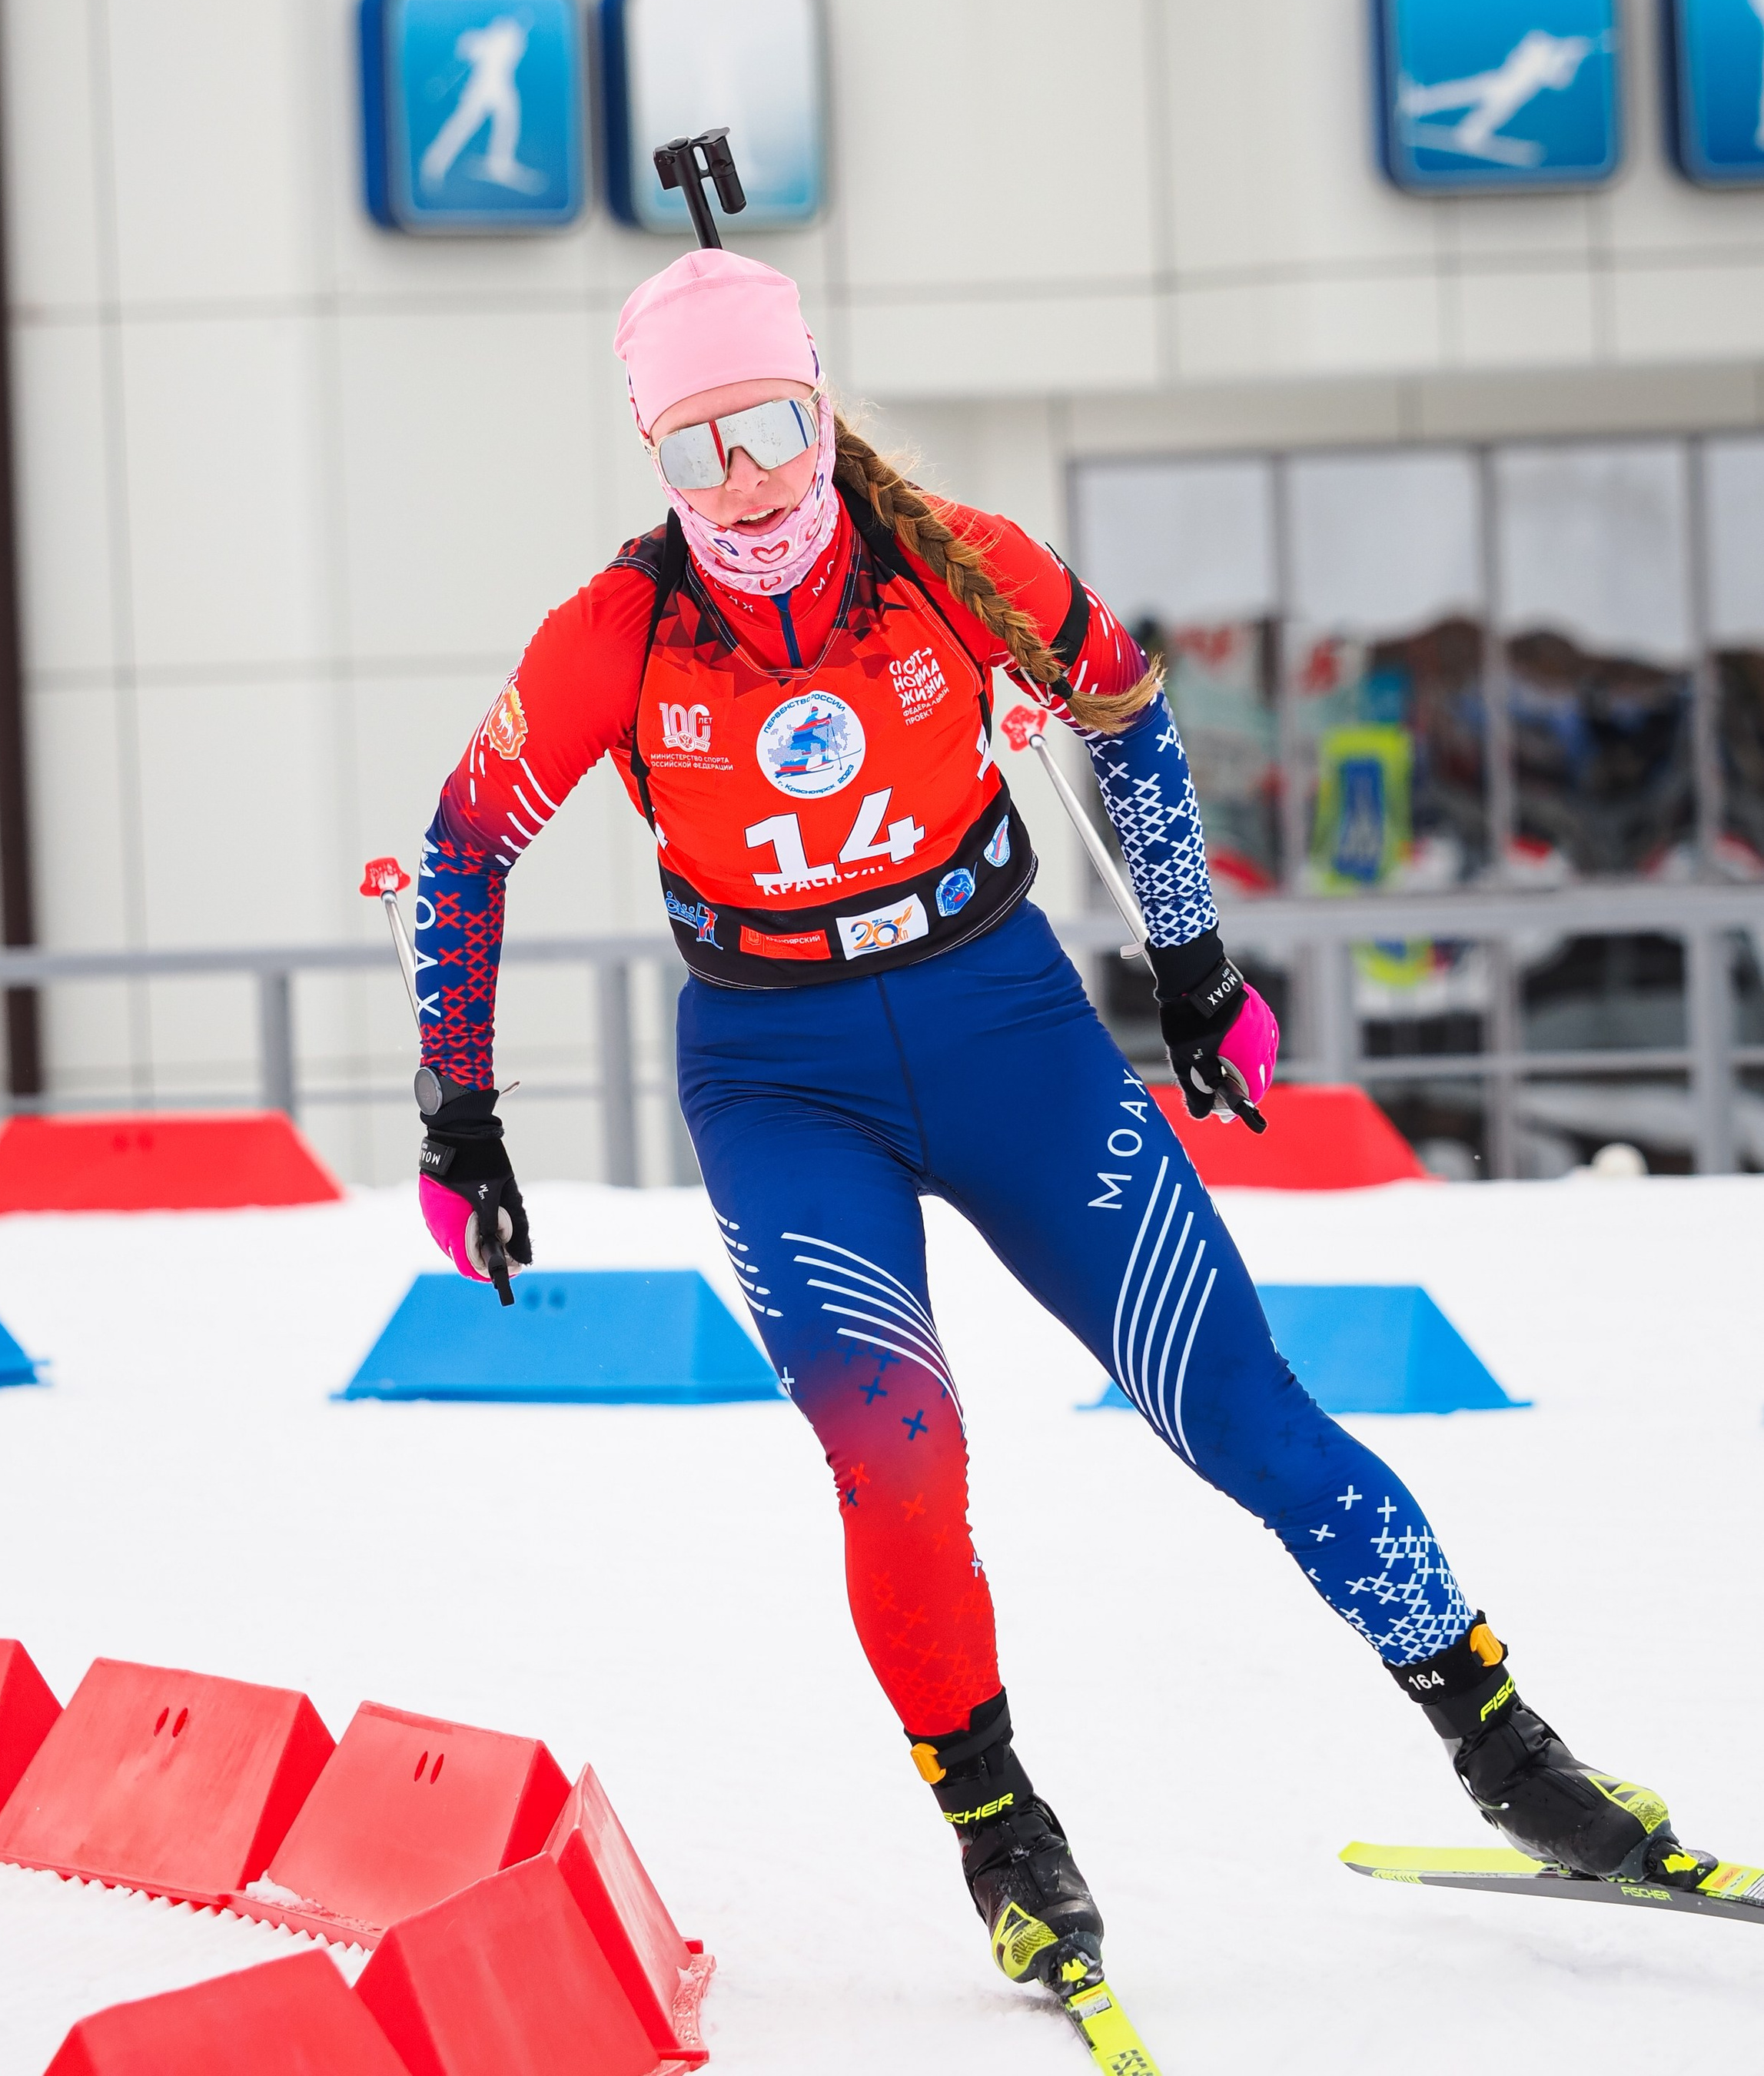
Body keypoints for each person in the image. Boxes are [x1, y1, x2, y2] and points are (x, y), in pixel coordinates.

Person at [405, 244, 1706, 2035]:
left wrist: (1189, 967)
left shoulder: (952, 561)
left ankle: (1506, 1749)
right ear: (653, 458)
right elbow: (465, 841)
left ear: (818, 403)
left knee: (1237, 1407)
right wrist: (455, 1111)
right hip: (780, 1084)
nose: (751, 484)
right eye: (697, 451)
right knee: (897, 1447)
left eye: (774, 427)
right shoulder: (618, 635)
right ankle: (1003, 1833)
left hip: (1004, 1032)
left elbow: (1128, 715)